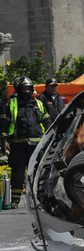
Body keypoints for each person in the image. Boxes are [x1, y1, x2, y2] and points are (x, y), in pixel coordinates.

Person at [0, 76, 50, 208]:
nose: (27, 92)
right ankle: (15, 201)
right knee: (18, 173)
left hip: (37, 145)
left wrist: (51, 137)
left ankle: (39, 199)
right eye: (24, 89)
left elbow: (48, 122)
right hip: (18, 145)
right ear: (18, 90)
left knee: (38, 174)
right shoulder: (10, 105)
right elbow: (3, 126)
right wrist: (4, 141)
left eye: (29, 89)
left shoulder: (38, 104)